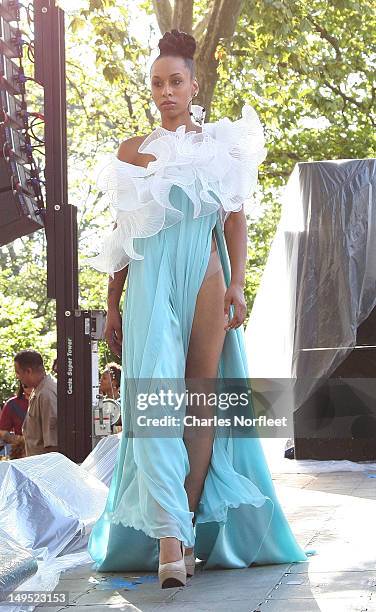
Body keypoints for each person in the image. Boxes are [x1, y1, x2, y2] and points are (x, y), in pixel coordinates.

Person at [85, 29, 310, 588]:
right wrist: (112, 301)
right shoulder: (132, 151)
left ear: (193, 84)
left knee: (197, 403)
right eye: (157, 83)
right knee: (155, 400)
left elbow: (235, 219)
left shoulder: (221, 145)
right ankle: (167, 541)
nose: (166, 91)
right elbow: (126, 233)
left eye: (175, 81)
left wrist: (238, 286)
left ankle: (182, 533)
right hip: (151, 275)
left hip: (206, 274)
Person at [14, 349, 58, 456]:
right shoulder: (38, 390)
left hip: (45, 467)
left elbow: (52, 444)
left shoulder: (46, 394)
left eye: (18, 372)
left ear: (28, 371)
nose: (17, 376)